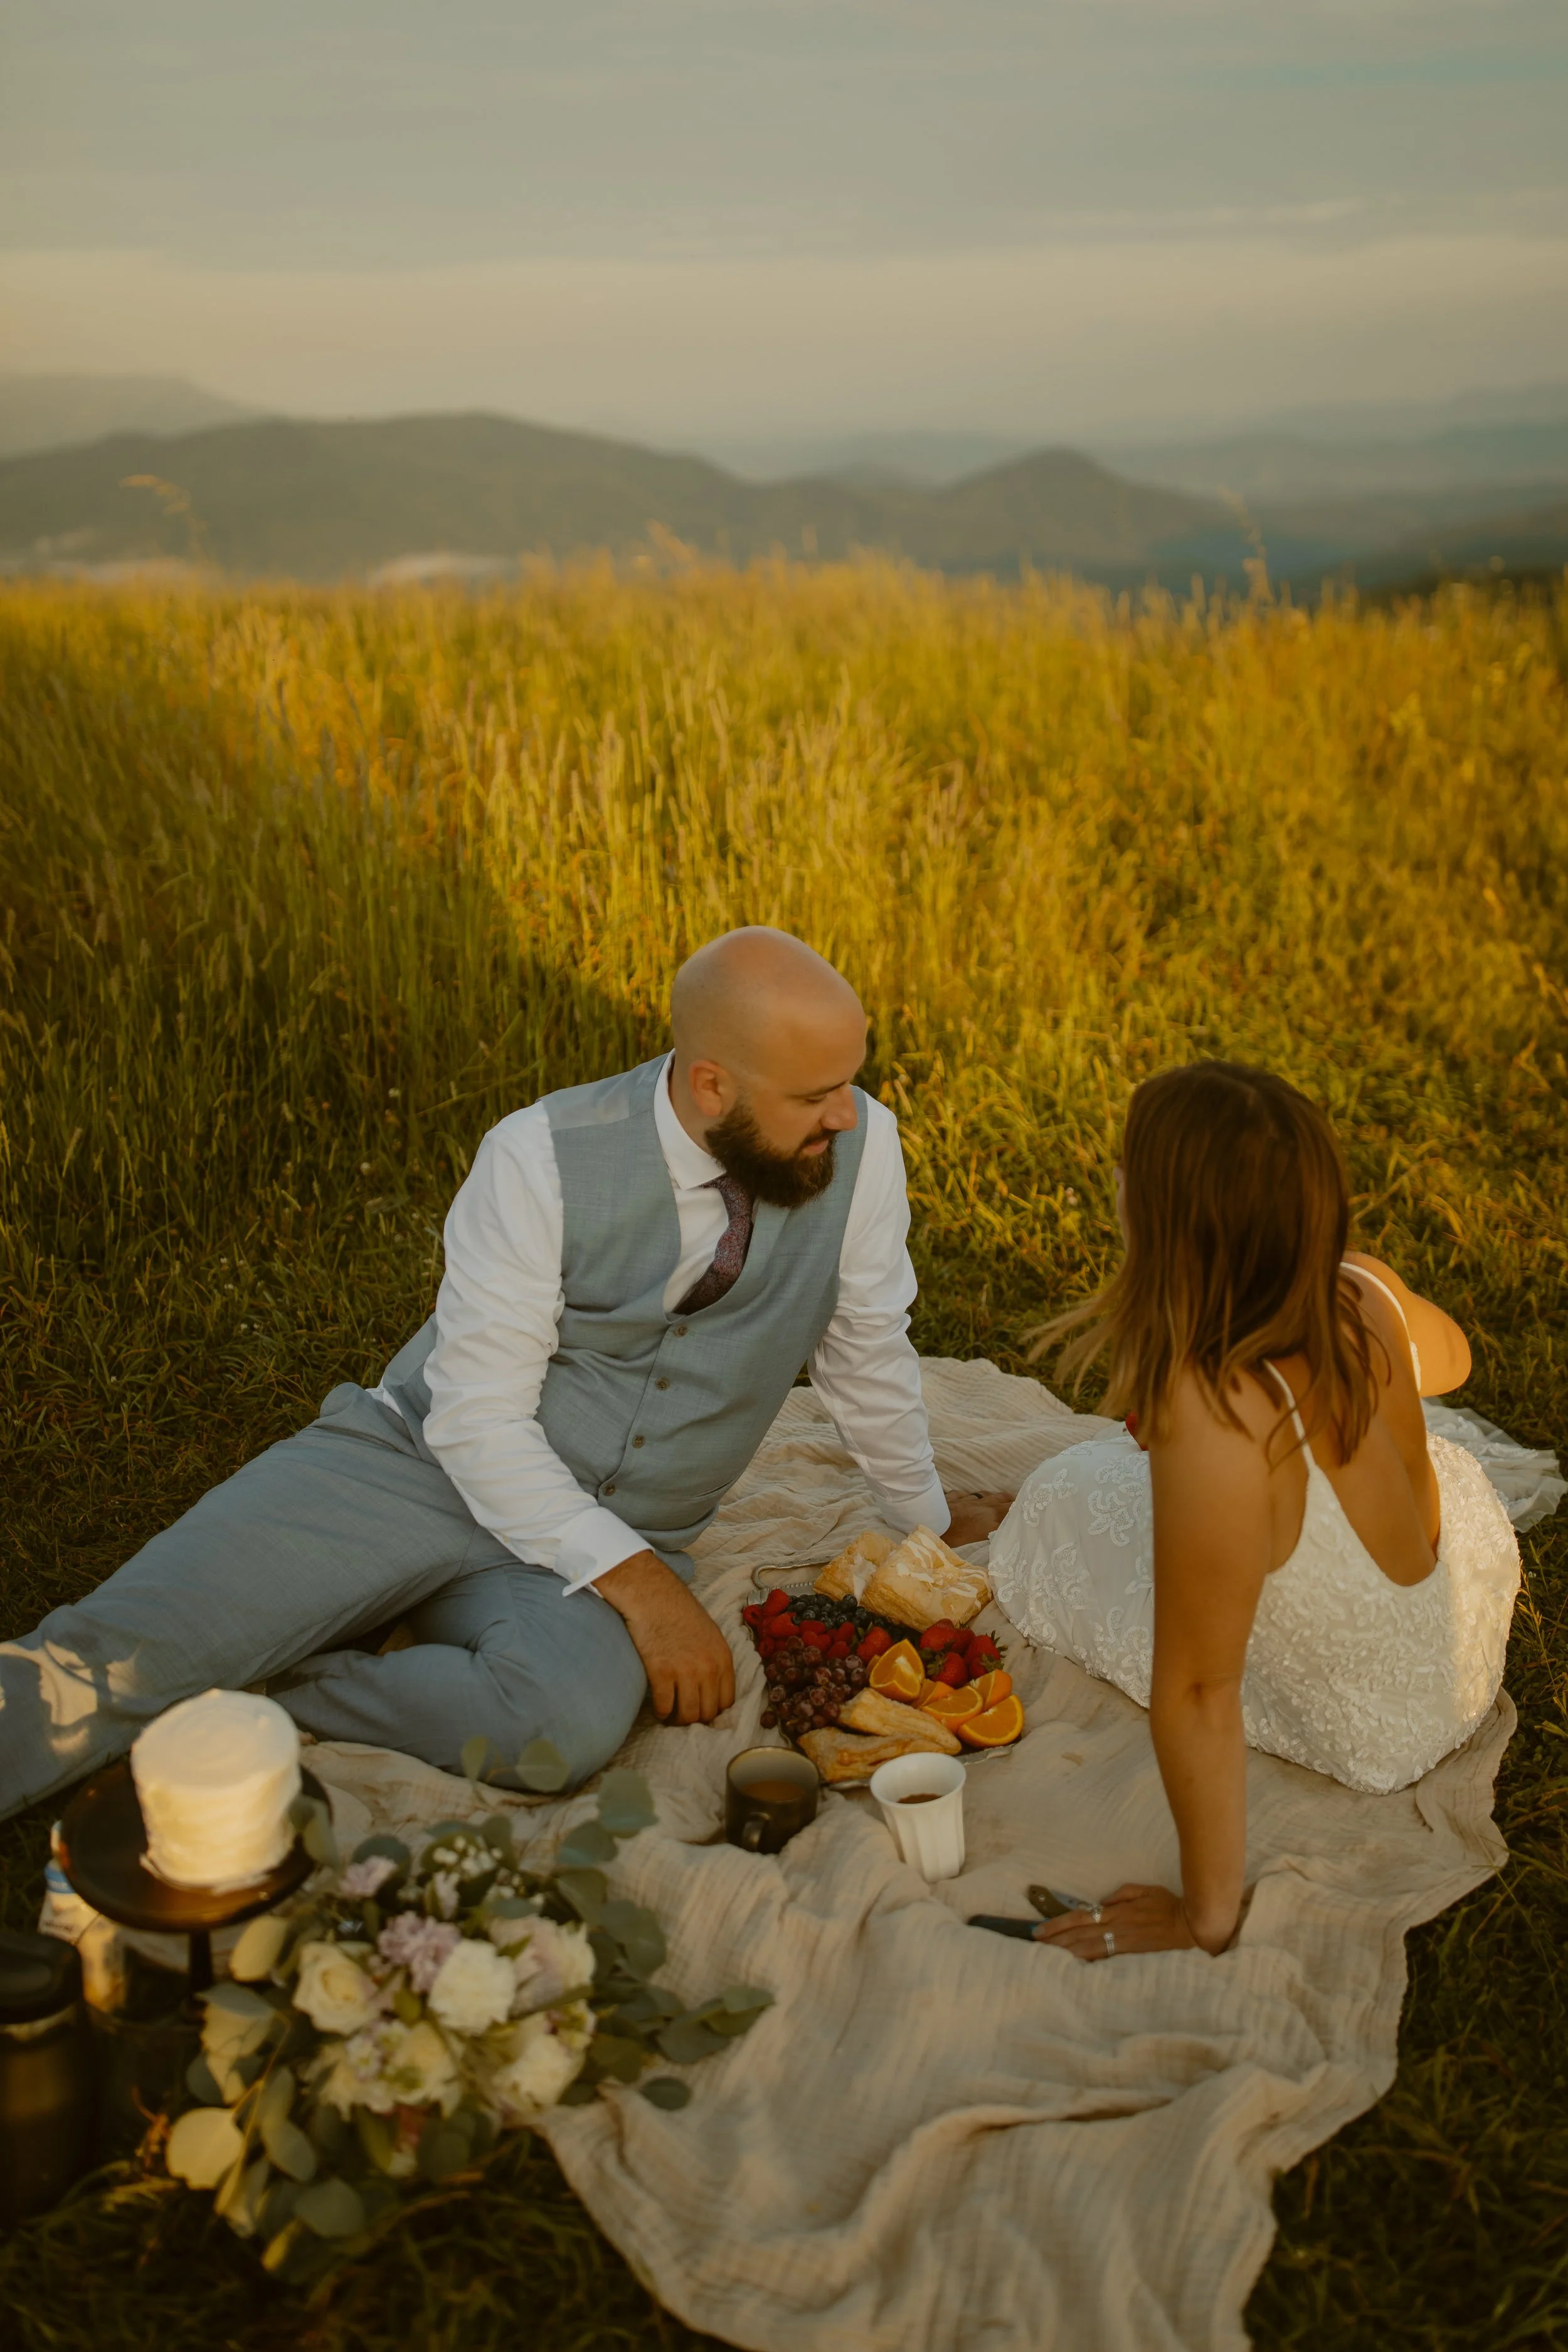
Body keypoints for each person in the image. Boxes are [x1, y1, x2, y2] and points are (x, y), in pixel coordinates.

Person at [0, 928, 1010, 1815]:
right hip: (414, 1467)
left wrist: (920, 1513)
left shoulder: (864, 1150)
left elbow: (866, 1347)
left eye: (850, 1078)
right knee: (106, 1656)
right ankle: (202, 1653)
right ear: (712, 1083)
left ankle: (267, 1685)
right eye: (815, 1093)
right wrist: (652, 1594)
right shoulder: (535, 1158)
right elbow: (476, 1422)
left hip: (615, 1530)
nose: (848, 1113)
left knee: (554, 1731)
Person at [987, 1061, 1520, 1966]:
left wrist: (1207, 1915)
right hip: (1457, 1637)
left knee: (1058, 1500)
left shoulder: (1219, 1414)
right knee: (1115, 1477)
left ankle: (1029, 1517)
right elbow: (1457, 1360)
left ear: (1168, 1221)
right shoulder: (1360, 1289)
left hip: (1375, 1728)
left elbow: (1199, 1689)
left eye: (1127, 1169)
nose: (1113, 1181)